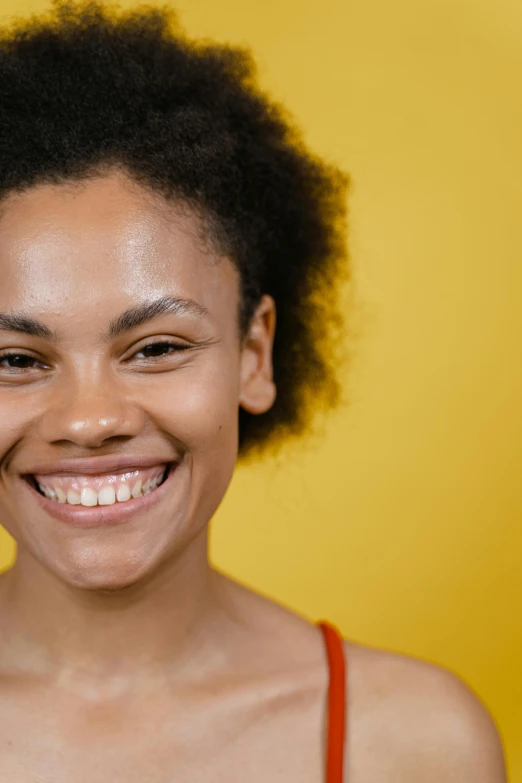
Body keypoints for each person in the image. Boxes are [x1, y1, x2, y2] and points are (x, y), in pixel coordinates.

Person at [0, 1, 507, 780]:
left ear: (254, 353)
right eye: (17, 360)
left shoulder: (413, 744)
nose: (89, 418)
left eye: (157, 347)